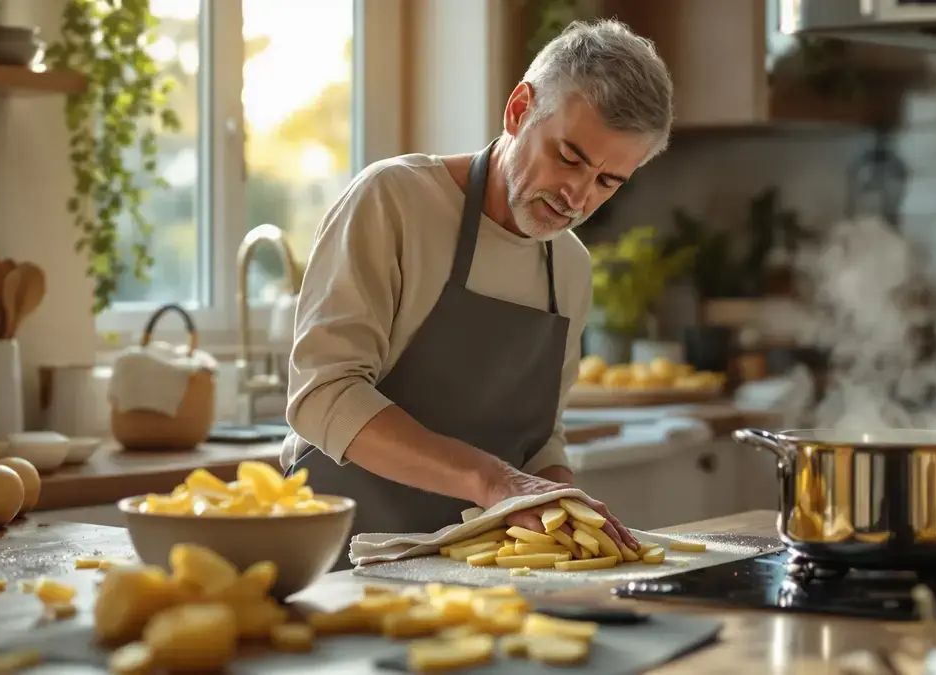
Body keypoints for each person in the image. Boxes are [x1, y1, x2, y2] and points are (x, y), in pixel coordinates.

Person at [281, 19, 674, 570]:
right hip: (336, 562)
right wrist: (493, 481)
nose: (578, 197)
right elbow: (323, 395)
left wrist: (566, 507)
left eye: (608, 182)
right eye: (569, 157)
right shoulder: (393, 202)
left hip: (477, 575)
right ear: (518, 110)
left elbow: (539, 441)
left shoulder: (570, 268)